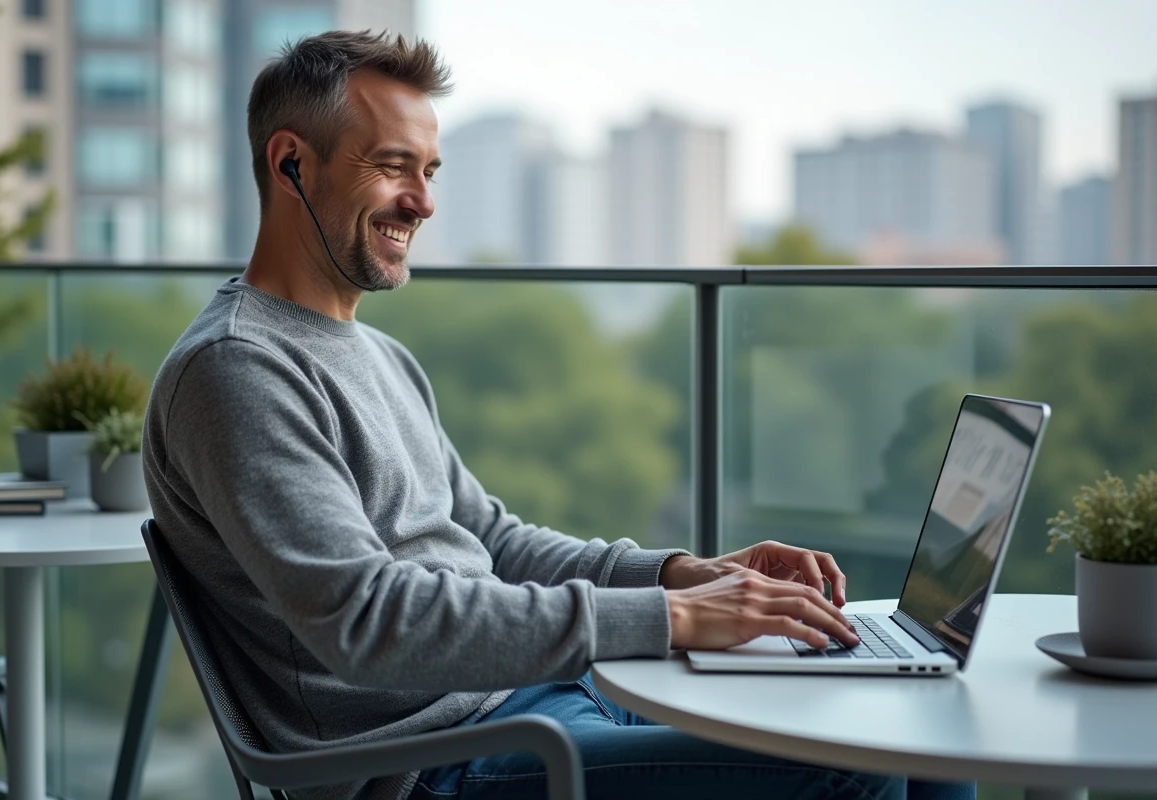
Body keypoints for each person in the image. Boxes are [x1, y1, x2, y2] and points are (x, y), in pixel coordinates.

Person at [142, 30, 974, 800]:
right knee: (855, 773)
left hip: (546, 703)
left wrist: (679, 574)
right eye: (395, 166)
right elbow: (368, 619)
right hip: (433, 766)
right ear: (292, 163)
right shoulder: (237, 371)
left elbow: (492, 543)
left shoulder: (377, 355)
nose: (423, 204)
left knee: (914, 723)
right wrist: (673, 621)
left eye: (430, 172)